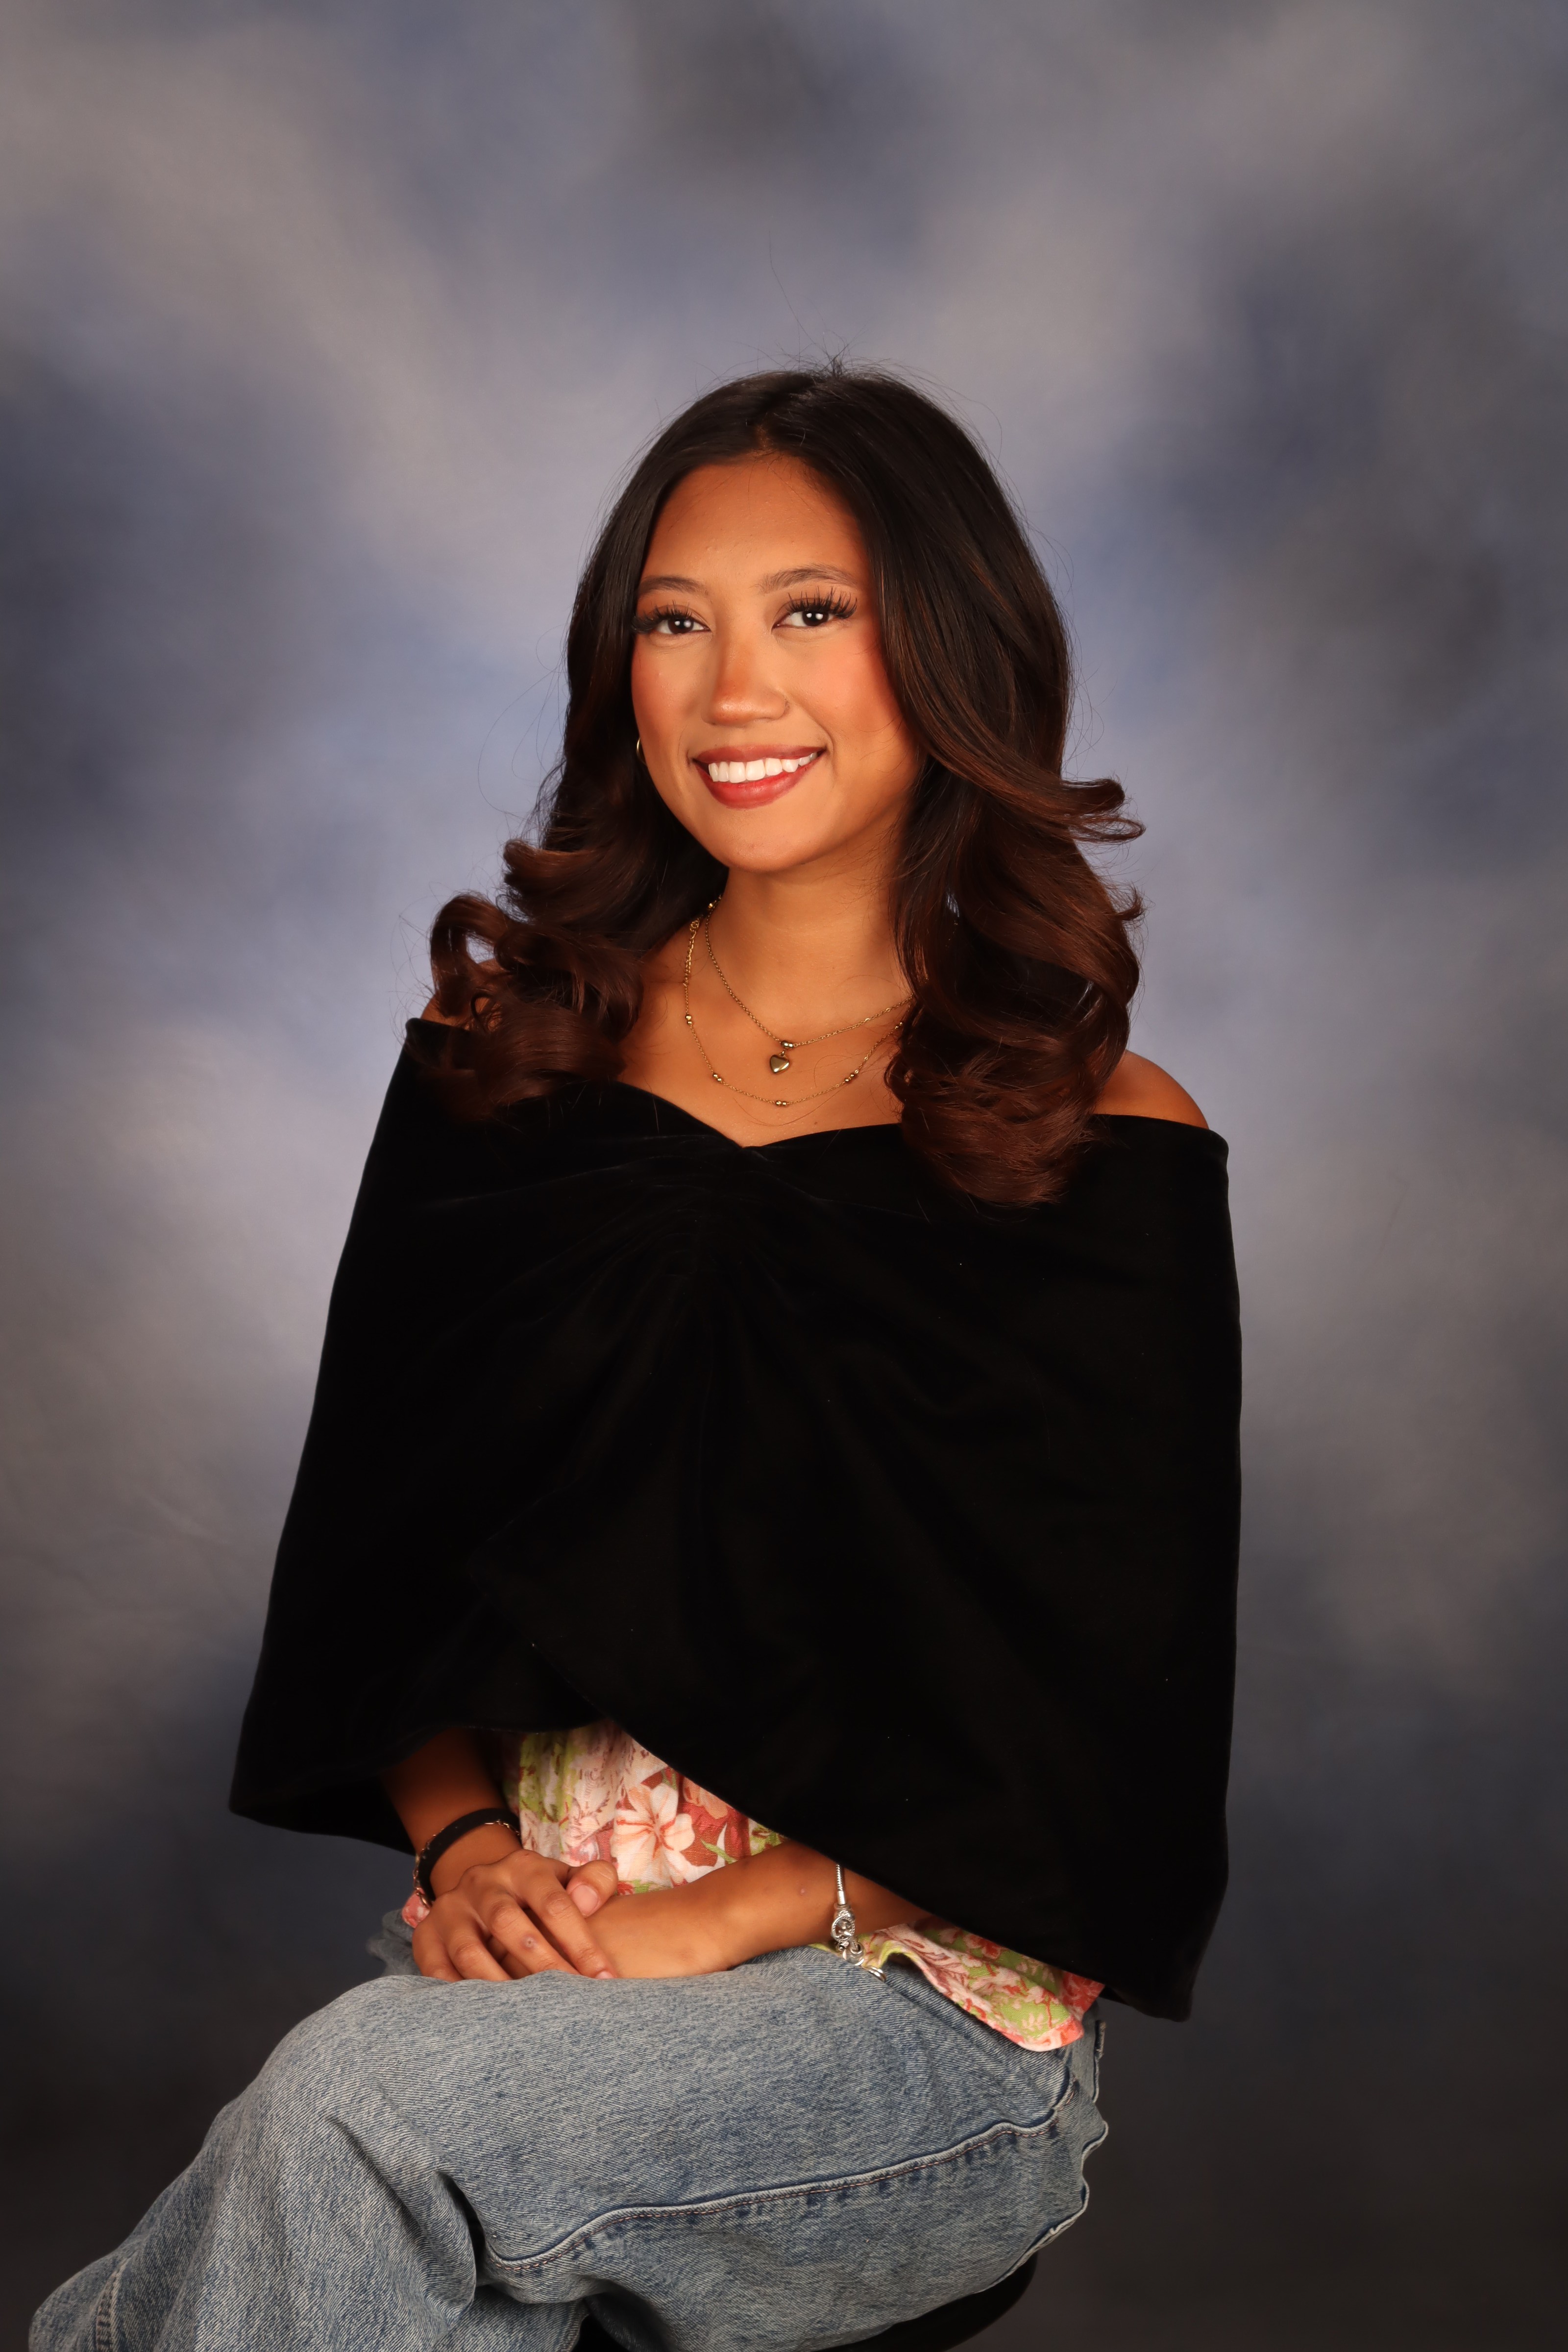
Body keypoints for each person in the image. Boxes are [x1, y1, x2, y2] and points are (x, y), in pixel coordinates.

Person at [33, 368, 1241, 2352]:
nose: (732, 688)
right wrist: (466, 1851)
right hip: (547, 1982)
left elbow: (1095, 1725)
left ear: (951, 649)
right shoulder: (505, 1065)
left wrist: (717, 1924)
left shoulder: (1099, 1137)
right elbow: (382, 1562)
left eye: (812, 611)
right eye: (676, 621)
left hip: (913, 2026)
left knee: (358, 2109)